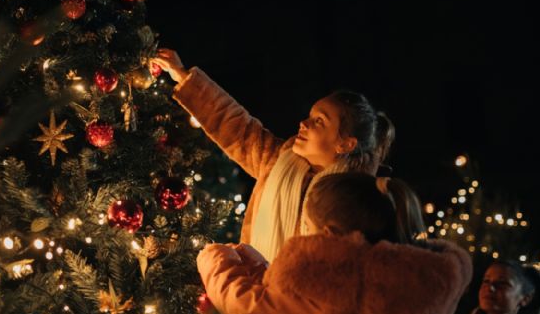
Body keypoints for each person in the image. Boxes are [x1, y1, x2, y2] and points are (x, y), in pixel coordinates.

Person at [153, 49, 395, 262]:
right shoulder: (277, 161)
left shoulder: (361, 204)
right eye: (310, 115)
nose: (303, 123)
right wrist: (183, 76)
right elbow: (235, 125)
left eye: (319, 121)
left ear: (345, 144)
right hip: (259, 297)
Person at [197, 173, 473, 314]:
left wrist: (215, 256)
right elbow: (290, 302)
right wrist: (253, 261)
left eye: (307, 225)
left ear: (328, 234)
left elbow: (245, 307)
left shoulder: (334, 300)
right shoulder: (387, 284)